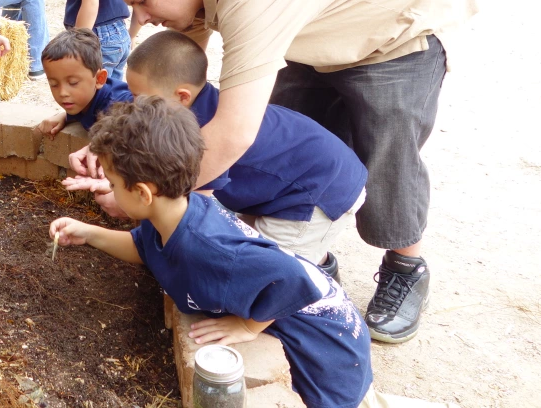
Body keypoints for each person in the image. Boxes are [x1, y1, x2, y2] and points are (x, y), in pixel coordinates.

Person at [109, 0, 478, 344]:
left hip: (397, 15)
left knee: (388, 145)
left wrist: (153, 197)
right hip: (320, 13)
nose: (141, 20)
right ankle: (312, 250)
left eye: (142, 2)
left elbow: (232, 133)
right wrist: (123, 156)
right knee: (288, 137)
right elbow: (181, 68)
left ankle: (406, 264)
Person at [50, 97, 374, 408]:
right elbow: (144, 248)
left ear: (142, 193)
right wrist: (88, 233)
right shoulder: (173, 214)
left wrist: (247, 327)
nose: (108, 188)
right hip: (313, 331)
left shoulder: (208, 249)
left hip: (327, 355)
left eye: (113, 182)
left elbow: (295, 279)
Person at [128, 30, 366, 277]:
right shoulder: (189, 109)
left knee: (266, 275)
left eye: (138, 98)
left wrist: (136, 205)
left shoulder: (204, 133)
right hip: (291, 182)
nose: (135, 106)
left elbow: (196, 210)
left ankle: (313, 296)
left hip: (315, 192)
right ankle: (317, 261)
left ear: (182, 96)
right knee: (245, 245)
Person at [38, 29, 132, 138]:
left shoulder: (119, 107)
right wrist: (66, 116)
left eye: (73, 83)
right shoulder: (82, 101)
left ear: (99, 79)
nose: (62, 93)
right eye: (54, 84)